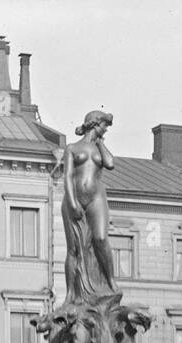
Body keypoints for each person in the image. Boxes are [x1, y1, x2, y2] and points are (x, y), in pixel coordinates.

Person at [61, 109, 117, 302]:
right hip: (74, 198)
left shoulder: (99, 147)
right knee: (73, 249)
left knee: (101, 239)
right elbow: (67, 176)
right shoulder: (72, 148)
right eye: (104, 126)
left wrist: (100, 142)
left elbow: (110, 163)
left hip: (96, 198)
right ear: (95, 124)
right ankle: (70, 293)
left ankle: (110, 282)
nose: (106, 130)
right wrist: (71, 200)